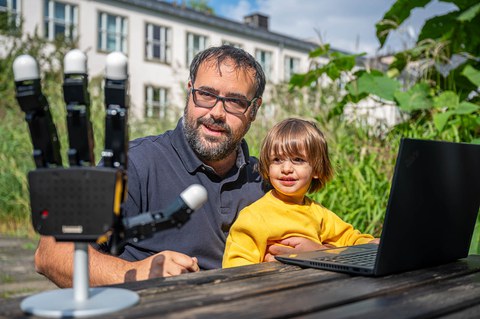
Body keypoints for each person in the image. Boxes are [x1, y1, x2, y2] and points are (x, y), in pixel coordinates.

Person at [34, 45, 268, 287]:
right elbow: (51, 254)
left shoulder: (266, 178)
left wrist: (304, 250)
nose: (217, 112)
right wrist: (139, 272)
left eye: (235, 101)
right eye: (206, 94)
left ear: (254, 109)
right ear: (190, 92)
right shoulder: (134, 163)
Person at [222, 118, 378, 268]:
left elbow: (348, 237)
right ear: (267, 167)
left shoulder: (318, 213)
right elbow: (236, 263)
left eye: (298, 160)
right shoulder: (255, 216)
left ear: (316, 169)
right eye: (277, 160)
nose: (286, 169)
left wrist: (371, 244)